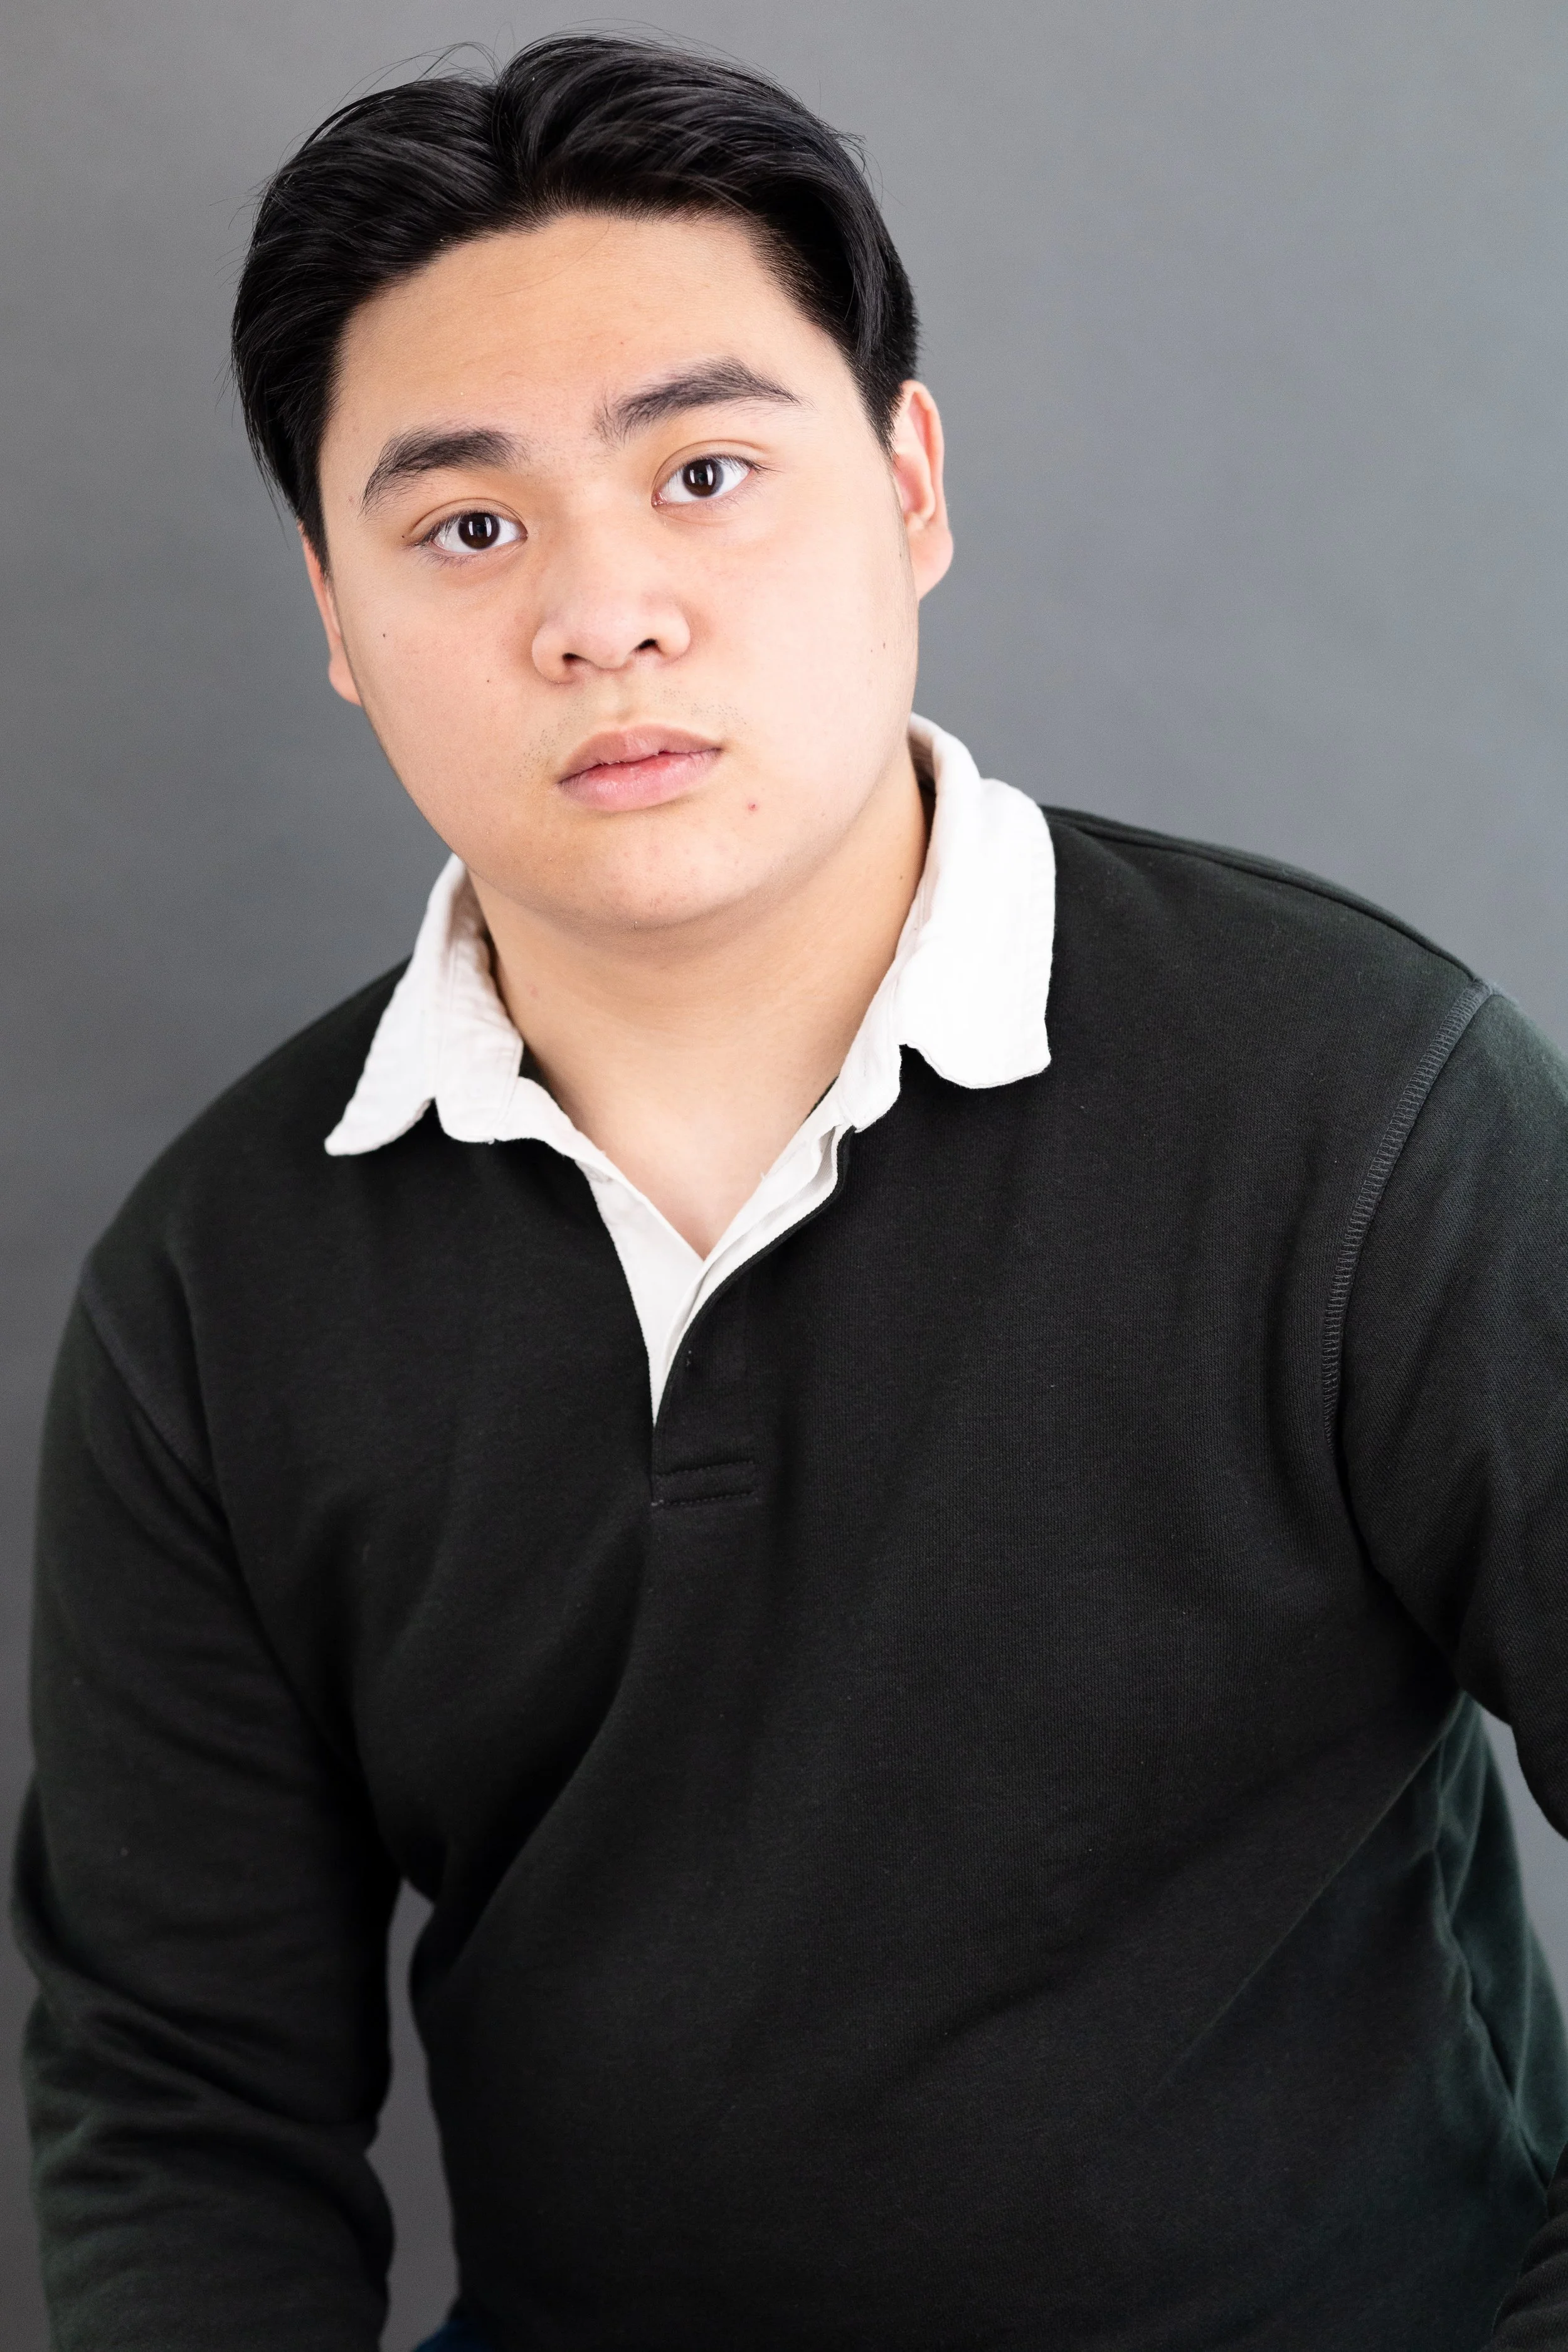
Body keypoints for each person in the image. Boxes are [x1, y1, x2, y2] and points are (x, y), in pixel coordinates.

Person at [13, 30, 1568, 2352]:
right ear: (337, 618)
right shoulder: (218, 1290)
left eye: (709, 471)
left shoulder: (1352, 1098)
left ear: (909, 487)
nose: (603, 611)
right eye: (464, 524)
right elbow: (182, 2099)